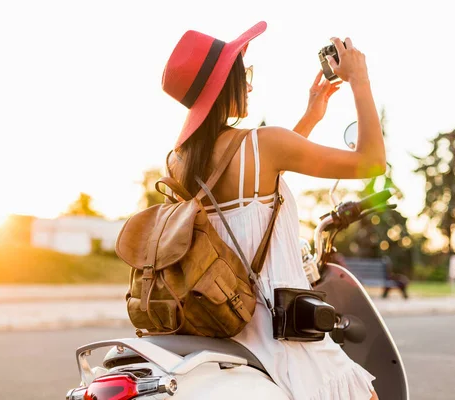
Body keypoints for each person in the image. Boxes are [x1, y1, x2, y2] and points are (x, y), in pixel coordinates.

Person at [162, 21, 383, 400]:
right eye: (242, 75)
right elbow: (371, 163)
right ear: (223, 86)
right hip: (280, 332)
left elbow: (263, 179)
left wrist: (311, 116)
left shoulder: (179, 164)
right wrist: (360, 79)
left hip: (218, 326)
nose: (249, 84)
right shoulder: (263, 144)